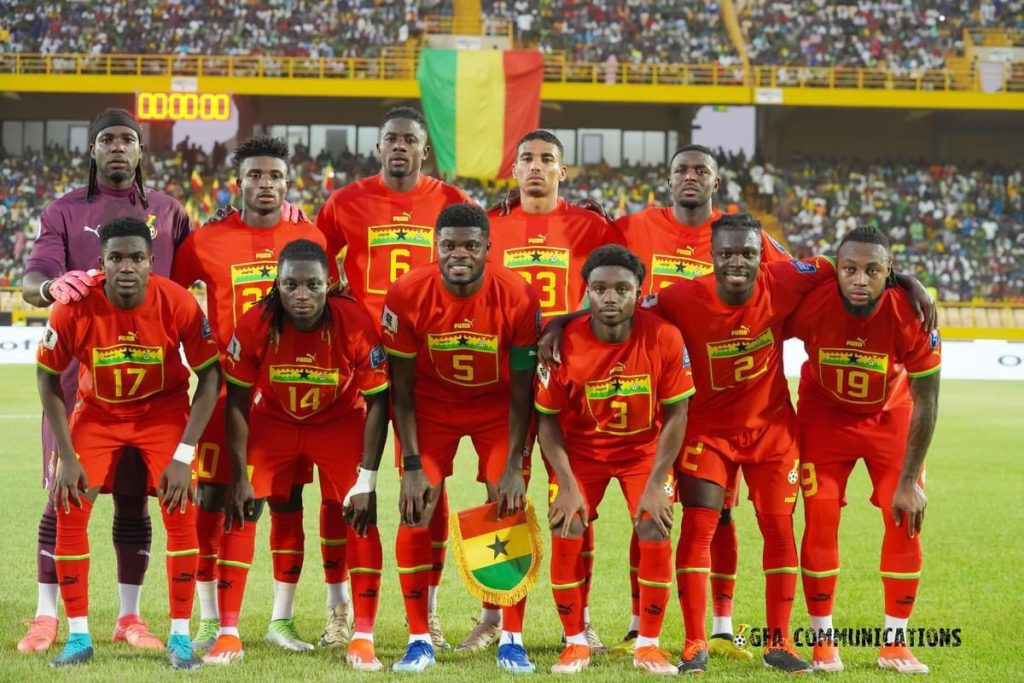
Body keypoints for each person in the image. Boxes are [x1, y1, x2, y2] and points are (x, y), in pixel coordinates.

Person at [18, 108, 191, 653]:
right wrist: (50, 290)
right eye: (107, 140)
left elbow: (205, 267)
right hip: (78, 385)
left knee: (136, 499)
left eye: (128, 140)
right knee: (62, 497)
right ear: (92, 151)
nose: (118, 147)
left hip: (150, 386)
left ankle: (128, 617)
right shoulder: (63, 211)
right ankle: (47, 616)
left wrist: (281, 217)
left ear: (141, 152)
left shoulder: (169, 211)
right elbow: (32, 280)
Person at [610, 144, 789, 658]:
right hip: (658, 396)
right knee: (653, 508)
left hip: (727, 401)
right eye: (681, 170)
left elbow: (806, 274)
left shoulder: (742, 234)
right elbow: (603, 280)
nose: (690, 177)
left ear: (716, 183)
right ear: (667, 180)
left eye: (701, 171)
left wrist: (901, 279)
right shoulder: (632, 227)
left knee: (722, 517)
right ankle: (636, 625)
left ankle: (723, 627)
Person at [640, 214, 836, 674]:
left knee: (778, 529)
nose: (737, 262)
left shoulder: (785, 278)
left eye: (747, 253)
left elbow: (842, 263)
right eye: (726, 253)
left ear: (760, 254)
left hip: (772, 432)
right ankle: (694, 644)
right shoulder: (680, 298)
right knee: (699, 528)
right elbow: (623, 311)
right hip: (707, 433)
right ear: (711, 255)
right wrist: (560, 325)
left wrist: (906, 282)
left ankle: (779, 643)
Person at [315, 106, 472, 650]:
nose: (399, 145)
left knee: (428, 487)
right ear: (377, 148)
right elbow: (314, 259)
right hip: (353, 364)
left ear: (424, 149)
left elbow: (478, 254)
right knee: (341, 488)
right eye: (390, 139)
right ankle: (338, 613)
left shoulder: (453, 203)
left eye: (410, 138)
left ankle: (427, 614)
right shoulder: (344, 202)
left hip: (423, 366)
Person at [169, 136, 331, 653]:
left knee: (287, 501)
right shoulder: (206, 238)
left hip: (287, 396)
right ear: (238, 183)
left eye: (275, 176)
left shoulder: (309, 235)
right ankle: (211, 620)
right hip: (223, 393)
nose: (266, 184)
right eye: (255, 176)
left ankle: (281, 620)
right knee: (214, 500)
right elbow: (172, 295)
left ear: (288, 182)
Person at [36, 216, 220, 669]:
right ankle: (78, 636)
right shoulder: (72, 307)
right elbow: (45, 376)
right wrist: (68, 455)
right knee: (70, 507)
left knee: (182, 509)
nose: (126, 266)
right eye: (116, 257)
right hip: (97, 416)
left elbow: (211, 375)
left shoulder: (177, 302)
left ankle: (179, 637)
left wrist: (184, 453)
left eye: (136, 257)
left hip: (162, 415)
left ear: (151, 262)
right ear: (101, 262)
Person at [206, 239, 390, 670]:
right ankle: (228, 632)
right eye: (291, 285)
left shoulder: (354, 321)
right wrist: (239, 475)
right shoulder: (256, 322)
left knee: (359, 514)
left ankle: (363, 636)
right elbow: (236, 400)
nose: (301, 296)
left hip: (339, 422)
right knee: (243, 509)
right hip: (275, 421)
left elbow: (380, 400)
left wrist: (367, 480)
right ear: (277, 284)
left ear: (330, 282)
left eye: (312, 285)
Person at [478, 129, 620, 654]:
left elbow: (617, 284)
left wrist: (565, 322)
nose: (536, 167)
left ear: (563, 172)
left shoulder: (592, 225)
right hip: (506, 383)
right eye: (527, 160)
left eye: (547, 160)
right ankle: (494, 618)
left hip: (575, 383)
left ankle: (576, 623)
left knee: (573, 503)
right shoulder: (491, 226)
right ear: (513, 171)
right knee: (503, 499)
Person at [383, 203, 540, 673]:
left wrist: (515, 463)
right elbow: (402, 390)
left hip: (497, 409)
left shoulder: (517, 294)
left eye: (471, 246)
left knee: (507, 508)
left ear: (488, 249)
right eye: (448, 245)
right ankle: (419, 640)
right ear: (435, 246)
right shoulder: (407, 293)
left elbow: (522, 391)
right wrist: (411, 467)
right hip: (432, 408)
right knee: (416, 510)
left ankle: (512, 637)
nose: (459, 254)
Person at [787, 227, 940, 674]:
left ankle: (895, 643)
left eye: (872, 270)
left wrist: (910, 481)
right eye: (849, 269)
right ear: (836, 271)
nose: (859, 279)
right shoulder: (810, 304)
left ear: (888, 272)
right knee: (820, 518)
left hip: (891, 420)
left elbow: (928, 400)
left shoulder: (912, 314)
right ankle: (822, 641)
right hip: (823, 418)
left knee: (905, 520)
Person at [536, 245, 693, 675]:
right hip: (581, 453)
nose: (610, 298)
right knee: (566, 523)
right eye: (599, 288)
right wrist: (565, 484)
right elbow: (546, 421)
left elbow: (678, 413)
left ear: (638, 293)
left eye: (621, 289)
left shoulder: (664, 337)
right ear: (585, 292)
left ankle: (649, 644)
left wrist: (658, 481)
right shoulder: (563, 344)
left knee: (652, 521)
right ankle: (574, 643)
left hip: (644, 452)